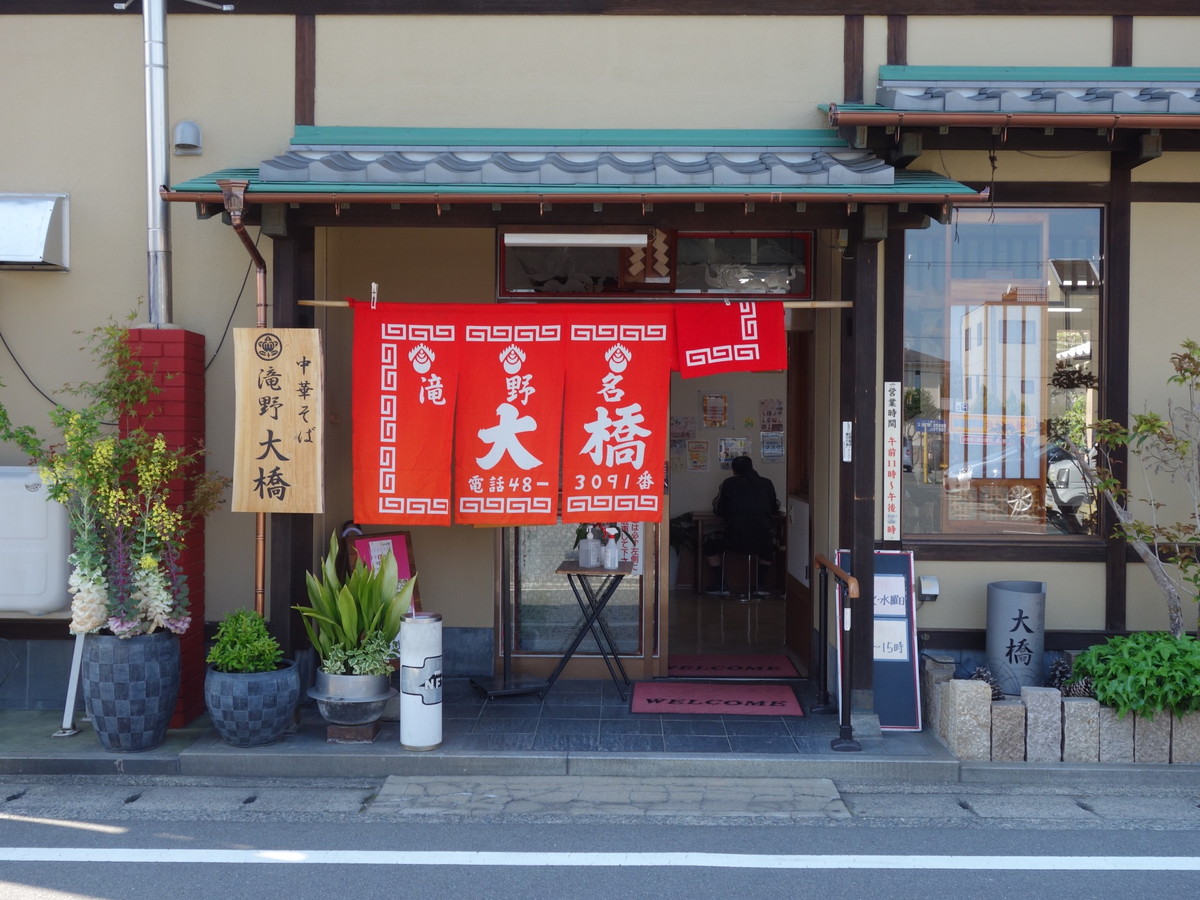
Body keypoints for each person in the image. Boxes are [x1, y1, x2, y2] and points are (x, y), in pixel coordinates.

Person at [704, 455, 780, 594]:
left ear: (734, 471)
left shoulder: (729, 483)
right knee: (770, 546)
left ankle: (720, 585)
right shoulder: (767, 483)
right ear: (752, 467)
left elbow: (719, 510)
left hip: (735, 540)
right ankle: (760, 586)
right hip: (763, 540)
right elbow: (774, 509)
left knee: (709, 544)